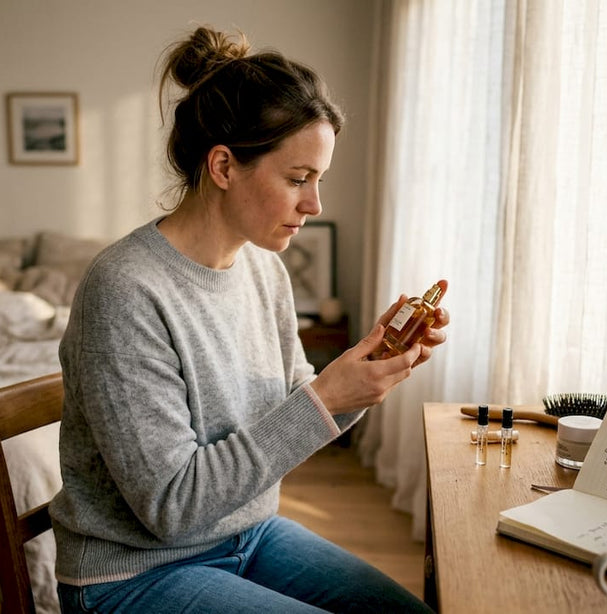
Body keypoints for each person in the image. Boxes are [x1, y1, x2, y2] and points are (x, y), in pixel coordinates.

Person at [50, 25, 448, 613]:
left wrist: (365, 373)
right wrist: (325, 398)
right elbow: (171, 506)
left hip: (247, 535)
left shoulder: (264, 269)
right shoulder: (126, 290)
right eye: (297, 179)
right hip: (134, 573)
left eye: (319, 180)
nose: (314, 205)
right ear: (222, 166)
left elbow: (293, 412)